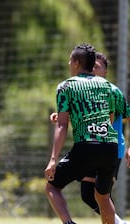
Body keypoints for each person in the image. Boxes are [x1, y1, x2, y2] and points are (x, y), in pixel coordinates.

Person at [49, 52, 130, 224]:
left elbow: (105, 119)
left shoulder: (106, 89)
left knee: (57, 186)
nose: (93, 70)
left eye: (97, 67)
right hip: (108, 147)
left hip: (109, 147)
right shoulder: (103, 90)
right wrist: (67, 116)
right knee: (95, 195)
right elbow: (94, 118)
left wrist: (53, 158)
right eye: (92, 66)